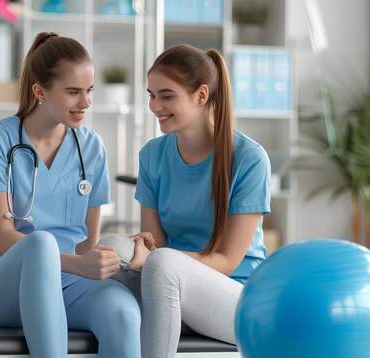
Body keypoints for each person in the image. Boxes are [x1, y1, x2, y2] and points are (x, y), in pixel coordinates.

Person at [0, 32, 141, 358]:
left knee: (123, 313)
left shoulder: (92, 147)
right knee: (41, 243)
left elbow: (88, 243)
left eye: (89, 91)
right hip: (1, 287)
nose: (86, 102)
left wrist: (106, 261)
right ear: (40, 91)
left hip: (68, 284)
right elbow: (5, 239)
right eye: (73, 92)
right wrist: (78, 263)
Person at [102, 43, 271, 358]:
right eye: (151, 95)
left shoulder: (249, 158)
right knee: (111, 247)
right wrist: (144, 255)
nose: (155, 106)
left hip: (237, 300)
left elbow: (227, 260)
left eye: (167, 96)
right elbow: (154, 243)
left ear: (201, 95)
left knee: (164, 262)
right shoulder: (153, 154)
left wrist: (154, 260)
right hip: (169, 286)